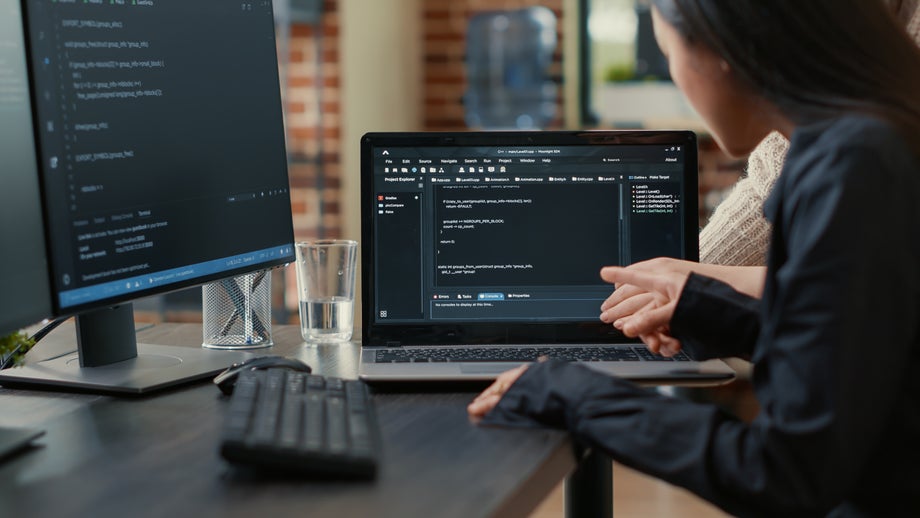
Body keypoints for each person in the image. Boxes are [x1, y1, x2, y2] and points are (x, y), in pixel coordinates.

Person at [467, 1, 920, 516]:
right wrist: (703, 307)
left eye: (668, 54)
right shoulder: (867, 142)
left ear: (721, 52)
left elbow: (781, 473)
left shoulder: (854, 169)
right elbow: (860, 341)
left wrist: (569, 391)